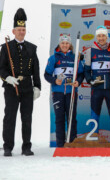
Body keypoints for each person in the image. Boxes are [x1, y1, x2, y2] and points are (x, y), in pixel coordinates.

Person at [0, 8, 41, 156]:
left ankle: (26, 147)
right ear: (13, 30)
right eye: (19, 29)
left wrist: (37, 86)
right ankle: (8, 147)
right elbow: (1, 68)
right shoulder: (6, 48)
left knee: (27, 118)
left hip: (27, 88)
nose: (21, 32)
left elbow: (35, 69)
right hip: (11, 88)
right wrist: (8, 78)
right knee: (10, 117)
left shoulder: (31, 48)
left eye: (23, 29)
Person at [84, 26, 110, 143]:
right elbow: (86, 70)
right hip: (97, 89)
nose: (101, 38)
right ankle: (94, 141)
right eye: (99, 36)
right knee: (95, 115)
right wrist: (90, 80)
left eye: (103, 36)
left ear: (107, 37)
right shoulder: (90, 51)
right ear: (96, 37)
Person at [44, 34, 84, 147]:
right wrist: (54, 80)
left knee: (72, 118)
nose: (65, 45)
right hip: (58, 93)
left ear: (70, 44)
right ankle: (60, 145)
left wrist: (78, 82)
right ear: (59, 44)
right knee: (59, 119)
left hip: (71, 93)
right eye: (63, 43)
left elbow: (81, 74)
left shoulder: (75, 58)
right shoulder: (54, 58)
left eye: (67, 43)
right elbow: (46, 75)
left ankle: (72, 143)